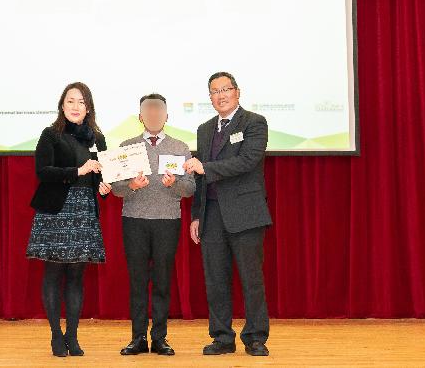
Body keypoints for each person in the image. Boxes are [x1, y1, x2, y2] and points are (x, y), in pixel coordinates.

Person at [183, 71, 272, 357]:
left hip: (245, 213)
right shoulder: (205, 128)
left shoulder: (254, 122)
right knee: (216, 280)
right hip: (212, 215)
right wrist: (196, 214)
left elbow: (247, 161)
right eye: (214, 91)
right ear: (209, 97)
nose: (220, 95)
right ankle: (222, 337)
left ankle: (256, 338)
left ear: (237, 92)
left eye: (226, 89)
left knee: (251, 279)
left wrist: (206, 169)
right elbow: (199, 177)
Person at [26, 82, 113, 357]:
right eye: (71, 101)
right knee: (53, 273)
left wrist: (103, 186)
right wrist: (78, 171)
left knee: (77, 276)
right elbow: (43, 171)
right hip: (56, 209)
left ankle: (72, 337)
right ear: (62, 106)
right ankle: (55, 335)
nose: (76, 107)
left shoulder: (97, 138)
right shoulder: (51, 134)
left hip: (84, 207)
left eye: (81, 102)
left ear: (89, 108)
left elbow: (100, 173)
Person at [110, 94, 195, 356]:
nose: (154, 115)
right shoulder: (128, 146)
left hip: (167, 221)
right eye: (149, 111)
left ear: (167, 116)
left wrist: (176, 184)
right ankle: (137, 338)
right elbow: (115, 189)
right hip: (134, 220)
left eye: (160, 112)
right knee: (137, 281)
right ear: (140, 117)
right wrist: (131, 186)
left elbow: (190, 188)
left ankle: (159, 338)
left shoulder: (180, 147)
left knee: (161, 281)